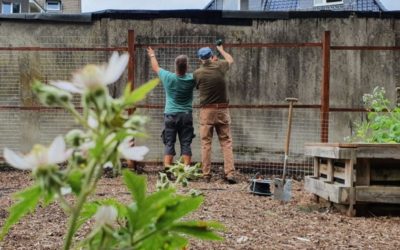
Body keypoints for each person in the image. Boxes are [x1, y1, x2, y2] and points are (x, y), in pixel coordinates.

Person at [147, 47, 196, 169]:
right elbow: (203, 74)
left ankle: (168, 170)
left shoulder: (168, 77)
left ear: (175, 65)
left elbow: (155, 67)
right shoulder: (192, 78)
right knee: (186, 143)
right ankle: (186, 170)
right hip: (186, 115)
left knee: (169, 142)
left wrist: (152, 55)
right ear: (186, 66)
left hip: (170, 115)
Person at [194, 46, 237, 184]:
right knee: (226, 142)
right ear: (212, 56)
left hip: (206, 111)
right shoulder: (220, 66)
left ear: (200, 59)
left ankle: (206, 174)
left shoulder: (198, 73)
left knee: (206, 143)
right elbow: (230, 59)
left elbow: (196, 85)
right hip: (223, 110)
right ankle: (229, 173)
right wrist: (222, 50)